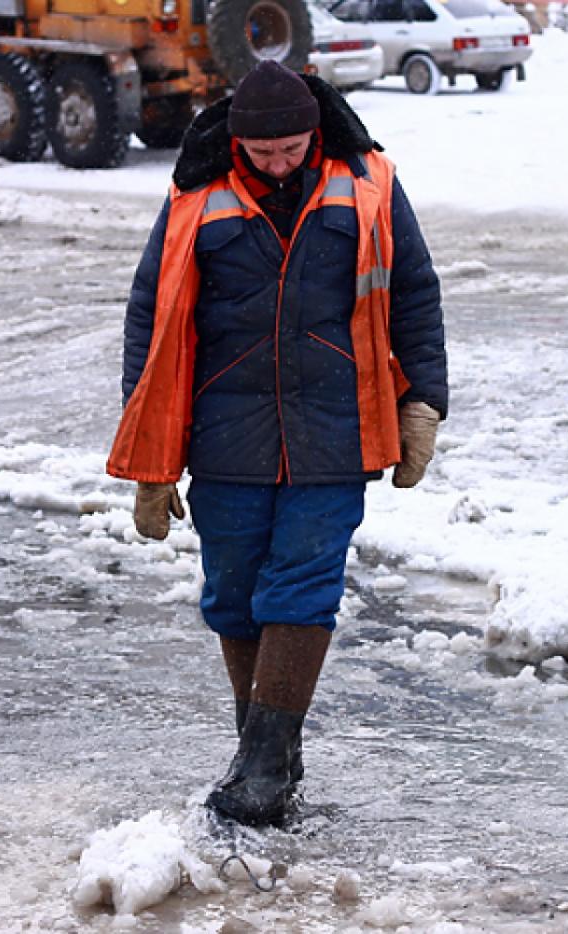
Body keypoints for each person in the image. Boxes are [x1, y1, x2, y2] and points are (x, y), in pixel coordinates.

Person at [107, 60, 448, 827]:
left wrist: (424, 399)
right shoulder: (197, 194)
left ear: (314, 133)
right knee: (234, 594)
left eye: (292, 148)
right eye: (263, 153)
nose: (279, 163)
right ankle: (266, 753)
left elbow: (415, 293)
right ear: (237, 143)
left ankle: (261, 770)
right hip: (224, 430)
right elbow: (149, 315)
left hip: (339, 424)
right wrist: (150, 451)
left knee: (302, 585)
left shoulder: (369, 184)